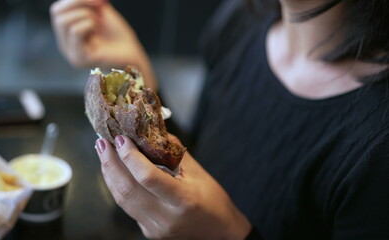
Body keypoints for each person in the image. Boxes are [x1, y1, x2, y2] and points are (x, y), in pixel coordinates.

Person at [50, 0, 389, 239]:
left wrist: (227, 234)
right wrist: (142, 81)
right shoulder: (241, 19)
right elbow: (201, 165)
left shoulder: (377, 145)